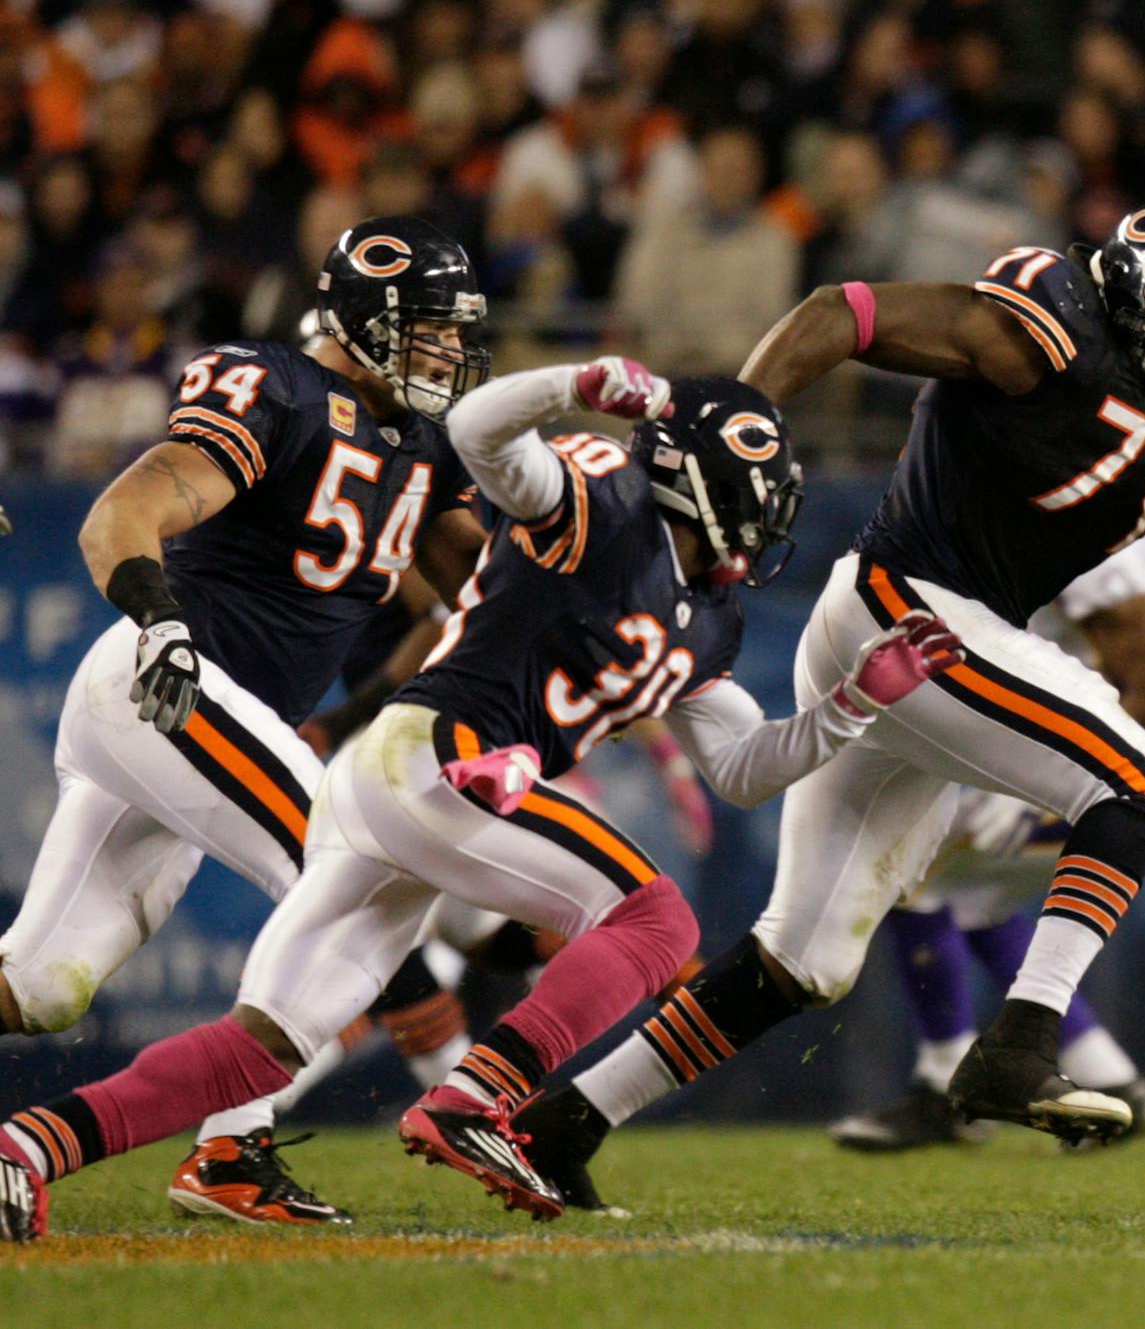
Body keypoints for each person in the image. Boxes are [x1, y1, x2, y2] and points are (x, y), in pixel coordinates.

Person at [0, 359, 962, 1241]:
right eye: (758, 492)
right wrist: (576, 381)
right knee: (656, 919)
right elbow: (477, 433)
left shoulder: (711, 620)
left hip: (408, 794)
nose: (766, 517)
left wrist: (848, 707)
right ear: (698, 474)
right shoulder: (599, 496)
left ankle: (29, 1149)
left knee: (267, 1048)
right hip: (437, 760)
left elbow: (746, 767)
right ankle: (475, 1094)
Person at [508, 199, 1145, 1207]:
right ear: (1137, 284)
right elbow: (845, 311)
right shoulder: (1045, 326)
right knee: (1143, 780)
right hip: (910, 605)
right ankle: (1019, 1041)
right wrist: (734, 432)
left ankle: (561, 1121)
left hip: (924, 642)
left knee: (806, 957)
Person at [0, 215, 492, 1227]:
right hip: (168, 683)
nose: (449, 348)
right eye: (430, 327)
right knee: (357, 867)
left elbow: (483, 591)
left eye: (454, 329)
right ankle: (230, 1147)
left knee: (42, 984)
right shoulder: (280, 389)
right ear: (363, 320)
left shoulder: (423, 442)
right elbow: (120, 516)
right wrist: (161, 623)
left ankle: (222, 1145)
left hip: (204, 722)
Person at [827, 529, 1145, 1155]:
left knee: (910, 873)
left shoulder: (1104, 536)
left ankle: (947, 1086)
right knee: (974, 902)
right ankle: (1114, 1079)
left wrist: (1029, 786)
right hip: (1076, 756)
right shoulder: (1049, 502)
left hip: (1115, 766)